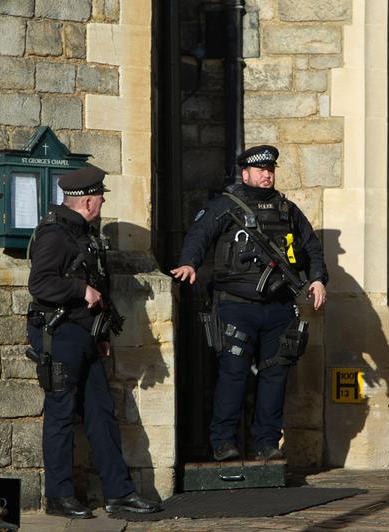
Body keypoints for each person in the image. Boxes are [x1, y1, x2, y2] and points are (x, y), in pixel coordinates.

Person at [171, 145, 328, 462]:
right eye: (260, 170)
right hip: (236, 306)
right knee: (233, 373)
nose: (266, 174)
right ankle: (223, 442)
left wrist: (318, 279)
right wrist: (189, 263)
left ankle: (267, 443)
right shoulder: (225, 207)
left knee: (275, 374)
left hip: (279, 306)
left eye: (270, 170)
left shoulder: (287, 210)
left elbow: (311, 247)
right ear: (245, 174)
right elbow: (200, 234)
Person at [26, 165, 160, 518]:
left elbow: (99, 284)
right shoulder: (55, 235)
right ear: (87, 201)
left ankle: (119, 493)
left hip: (85, 336)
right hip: (61, 335)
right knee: (61, 416)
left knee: (101, 415)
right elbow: (40, 285)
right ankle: (59, 497)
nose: (102, 200)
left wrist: (100, 335)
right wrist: (77, 289)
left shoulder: (84, 233)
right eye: (99, 195)